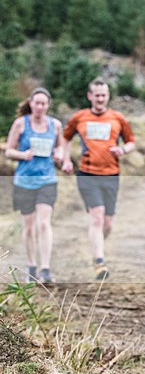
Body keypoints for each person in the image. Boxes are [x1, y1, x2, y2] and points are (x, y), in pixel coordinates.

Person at [64, 79, 136, 280]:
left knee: (108, 223)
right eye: (97, 95)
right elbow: (66, 138)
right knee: (97, 216)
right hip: (87, 173)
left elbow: (131, 142)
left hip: (111, 174)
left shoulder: (117, 118)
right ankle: (99, 261)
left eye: (104, 95)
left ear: (108, 96)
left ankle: (97, 247)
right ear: (90, 96)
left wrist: (123, 149)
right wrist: (66, 159)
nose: (100, 99)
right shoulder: (79, 117)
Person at [5, 88, 73, 283]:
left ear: (48, 105)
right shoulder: (21, 124)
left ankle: (46, 269)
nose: (40, 107)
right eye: (37, 103)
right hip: (24, 181)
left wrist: (59, 154)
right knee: (28, 227)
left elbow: (60, 146)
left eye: (44, 104)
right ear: (31, 103)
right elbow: (9, 151)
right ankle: (31, 266)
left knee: (44, 224)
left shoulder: (55, 125)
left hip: (47, 180)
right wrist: (23, 154)